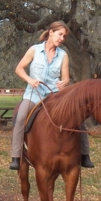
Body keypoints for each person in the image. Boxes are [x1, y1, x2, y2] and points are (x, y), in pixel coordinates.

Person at [9, 21, 94, 171]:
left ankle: (84, 154)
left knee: (78, 116)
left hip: (55, 97)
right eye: (60, 34)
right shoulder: (34, 50)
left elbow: (66, 78)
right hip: (34, 95)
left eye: (64, 36)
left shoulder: (63, 55)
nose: (62, 38)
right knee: (21, 117)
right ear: (51, 32)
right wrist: (29, 80)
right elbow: (19, 69)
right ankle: (16, 156)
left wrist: (64, 83)